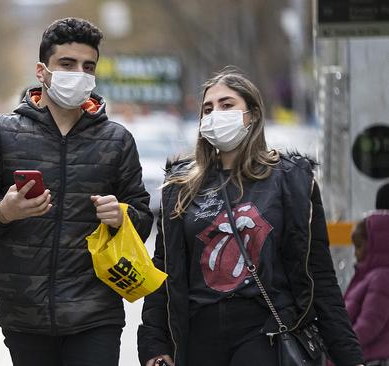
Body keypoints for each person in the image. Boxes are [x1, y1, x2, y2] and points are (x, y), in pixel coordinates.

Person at [0, 17, 153, 366]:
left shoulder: (117, 140)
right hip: (25, 315)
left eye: (87, 66)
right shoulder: (0, 134)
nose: (79, 74)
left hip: (96, 314)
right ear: (42, 71)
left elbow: (142, 219)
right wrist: (3, 212)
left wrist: (122, 216)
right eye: (67, 64)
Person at [137, 67, 363, 366]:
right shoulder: (180, 187)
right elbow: (164, 271)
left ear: (253, 114)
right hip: (198, 337)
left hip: (265, 334)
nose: (216, 113)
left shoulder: (290, 180)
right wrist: (154, 343)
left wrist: (349, 356)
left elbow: (319, 274)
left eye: (227, 105)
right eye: (208, 109)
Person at [344, 210, 389, 365]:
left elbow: (369, 324)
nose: (356, 254)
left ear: (374, 245)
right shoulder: (370, 276)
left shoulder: (380, 278)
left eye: (359, 246)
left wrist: (340, 345)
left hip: (372, 360)